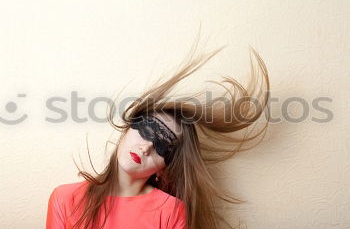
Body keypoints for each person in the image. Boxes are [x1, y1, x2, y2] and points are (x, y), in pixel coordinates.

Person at [46, 34, 271, 229]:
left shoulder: (171, 211)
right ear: (127, 129)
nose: (146, 147)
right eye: (147, 129)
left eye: (162, 146)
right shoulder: (65, 198)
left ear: (165, 168)